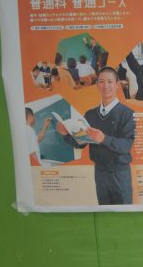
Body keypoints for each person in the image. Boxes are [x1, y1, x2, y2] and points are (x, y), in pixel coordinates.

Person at [55, 67, 135, 205]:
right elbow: (80, 143)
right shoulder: (90, 114)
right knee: (103, 210)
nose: (105, 86)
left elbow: (126, 145)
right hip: (99, 172)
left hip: (119, 173)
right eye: (101, 82)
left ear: (117, 84)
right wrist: (66, 134)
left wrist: (104, 139)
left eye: (110, 82)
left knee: (123, 211)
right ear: (97, 84)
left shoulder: (127, 113)